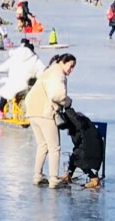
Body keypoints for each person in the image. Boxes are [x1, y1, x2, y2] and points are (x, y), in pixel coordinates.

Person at [24, 54, 76, 186]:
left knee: (42, 145)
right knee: (54, 147)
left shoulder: (47, 71)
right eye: (71, 66)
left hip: (33, 113)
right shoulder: (58, 74)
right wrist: (68, 102)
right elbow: (57, 95)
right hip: (46, 113)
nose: (72, 70)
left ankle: (38, 175)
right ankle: (53, 179)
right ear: (63, 63)